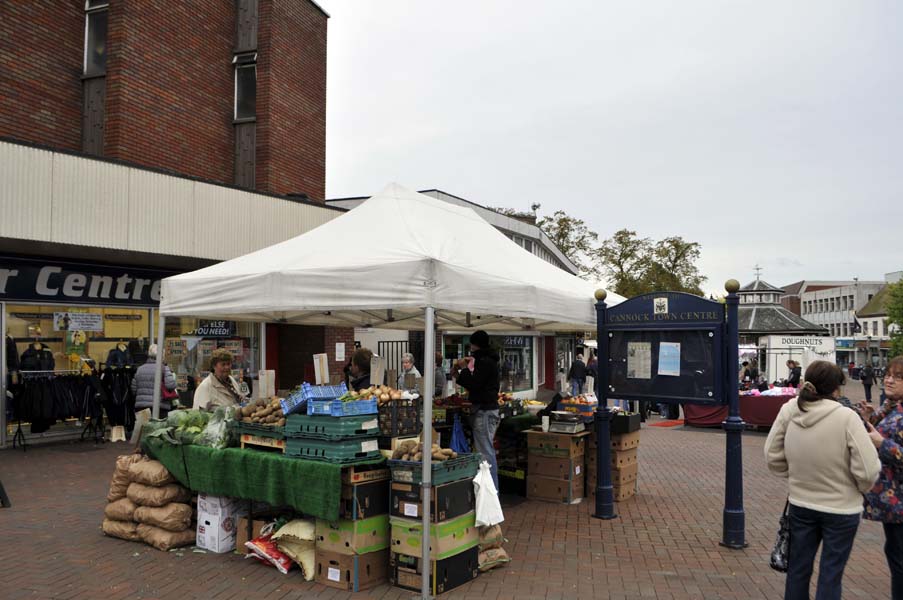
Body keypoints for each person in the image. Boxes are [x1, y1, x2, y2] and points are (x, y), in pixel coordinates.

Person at [764, 360, 880, 600]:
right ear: (836, 389)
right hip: (841, 508)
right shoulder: (847, 418)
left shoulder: (790, 409)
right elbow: (868, 470)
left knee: (797, 571)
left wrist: (795, 472)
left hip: (801, 502)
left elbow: (772, 455)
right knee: (831, 573)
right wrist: (858, 488)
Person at [860, 356, 903, 600]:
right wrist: (868, 418)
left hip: (899, 502)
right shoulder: (889, 406)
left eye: (898, 377)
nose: (889, 379)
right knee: (894, 555)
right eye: (888, 374)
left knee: (899, 560)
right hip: (891, 503)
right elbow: (873, 430)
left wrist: (882, 444)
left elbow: (882, 440)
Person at [453, 330, 501, 490]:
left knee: (485, 452)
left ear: (475, 344)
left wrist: (464, 370)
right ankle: (488, 488)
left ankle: (491, 492)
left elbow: (475, 383)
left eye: (472, 344)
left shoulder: (484, 362)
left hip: (484, 410)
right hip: (489, 409)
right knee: (485, 449)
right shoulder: (489, 360)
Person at [131, 344, 177, 418]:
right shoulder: (164, 368)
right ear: (162, 355)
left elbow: (134, 389)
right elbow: (170, 385)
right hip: (160, 406)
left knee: (144, 428)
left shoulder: (140, 369)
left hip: (141, 407)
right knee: (158, 428)